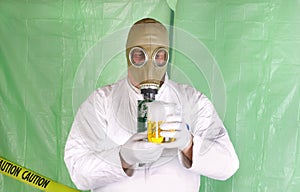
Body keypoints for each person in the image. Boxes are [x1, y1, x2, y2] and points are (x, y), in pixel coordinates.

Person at [64, 18, 239, 192]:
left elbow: (228, 164)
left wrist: (189, 145)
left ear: (167, 56)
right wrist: (122, 158)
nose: (149, 66)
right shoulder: (101, 103)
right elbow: (77, 170)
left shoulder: (193, 102)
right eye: (139, 55)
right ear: (128, 55)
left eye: (159, 55)